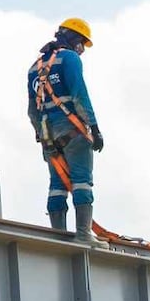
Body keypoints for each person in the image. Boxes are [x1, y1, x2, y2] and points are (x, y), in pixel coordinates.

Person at [27, 17, 104, 241]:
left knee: (57, 184)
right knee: (82, 181)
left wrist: (42, 136)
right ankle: (83, 235)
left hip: (49, 137)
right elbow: (80, 95)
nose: (81, 50)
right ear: (72, 38)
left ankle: (57, 237)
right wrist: (95, 128)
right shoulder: (69, 59)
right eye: (81, 43)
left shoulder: (35, 68)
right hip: (73, 132)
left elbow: (32, 110)